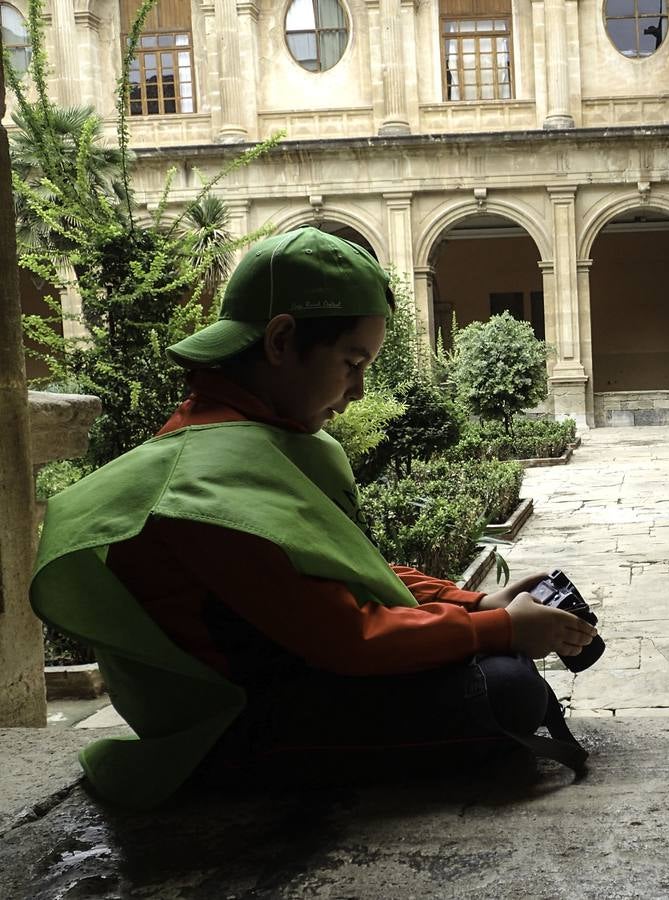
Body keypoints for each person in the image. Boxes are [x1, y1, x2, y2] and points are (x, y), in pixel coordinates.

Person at [31, 227, 596, 809]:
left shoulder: (272, 439)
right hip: (240, 727)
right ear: (280, 340)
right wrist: (500, 630)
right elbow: (346, 638)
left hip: (312, 680)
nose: (357, 389)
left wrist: (475, 604)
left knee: (496, 666)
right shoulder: (201, 483)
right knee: (505, 689)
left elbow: (354, 567)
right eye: (352, 363)